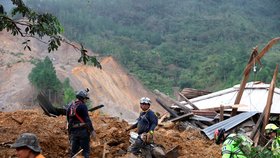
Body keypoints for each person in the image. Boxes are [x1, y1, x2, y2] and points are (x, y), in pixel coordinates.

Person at [66, 88, 95, 158]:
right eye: (85, 98)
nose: (86, 100)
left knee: (73, 153)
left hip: (74, 132)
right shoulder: (83, 106)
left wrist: (70, 133)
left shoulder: (70, 106)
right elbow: (87, 120)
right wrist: (92, 131)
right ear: (82, 98)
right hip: (83, 132)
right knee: (85, 152)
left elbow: (68, 120)